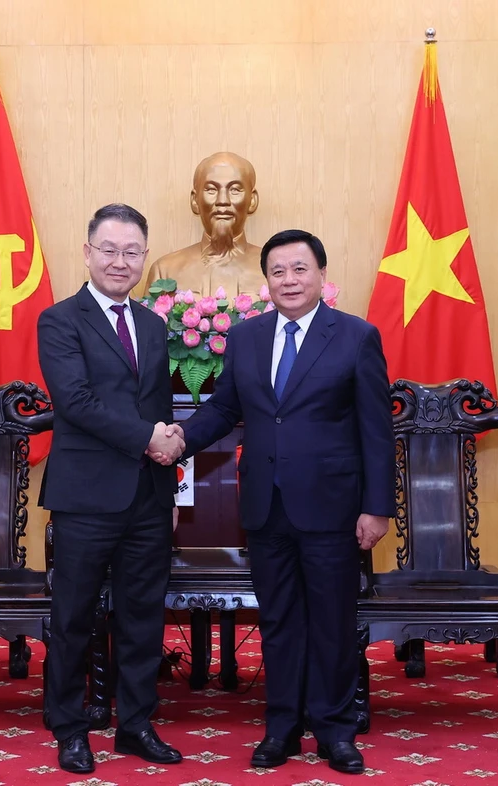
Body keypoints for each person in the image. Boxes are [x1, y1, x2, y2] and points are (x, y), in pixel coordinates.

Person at [165, 229, 395, 775]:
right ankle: (282, 728)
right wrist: (177, 442)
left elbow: (376, 430)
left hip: (333, 506)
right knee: (280, 622)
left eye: (299, 270)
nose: (288, 281)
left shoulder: (356, 337)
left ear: (321, 276)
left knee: (333, 623)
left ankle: (336, 732)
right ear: (265, 280)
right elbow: (224, 410)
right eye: (277, 272)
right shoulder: (246, 338)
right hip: (265, 506)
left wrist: (377, 506)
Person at [37, 203, 186, 775]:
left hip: (147, 498)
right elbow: (75, 402)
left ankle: (136, 725)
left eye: (131, 252)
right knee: (73, 618)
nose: (120, 262)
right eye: (109, 250)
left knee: (144, 617)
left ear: (143, 258)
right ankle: (70, 728)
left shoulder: (152, 324)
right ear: (87, 252)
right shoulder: (60, 320)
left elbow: (160, 408)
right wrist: (150, 438)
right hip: (85, 497)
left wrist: (169, 483)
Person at [144, 151, 268, 300]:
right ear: (195, 201)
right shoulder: (165, 270)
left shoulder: (274, 270)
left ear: (252, 200)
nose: (223, 200)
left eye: (235, 189)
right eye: (211, 189)